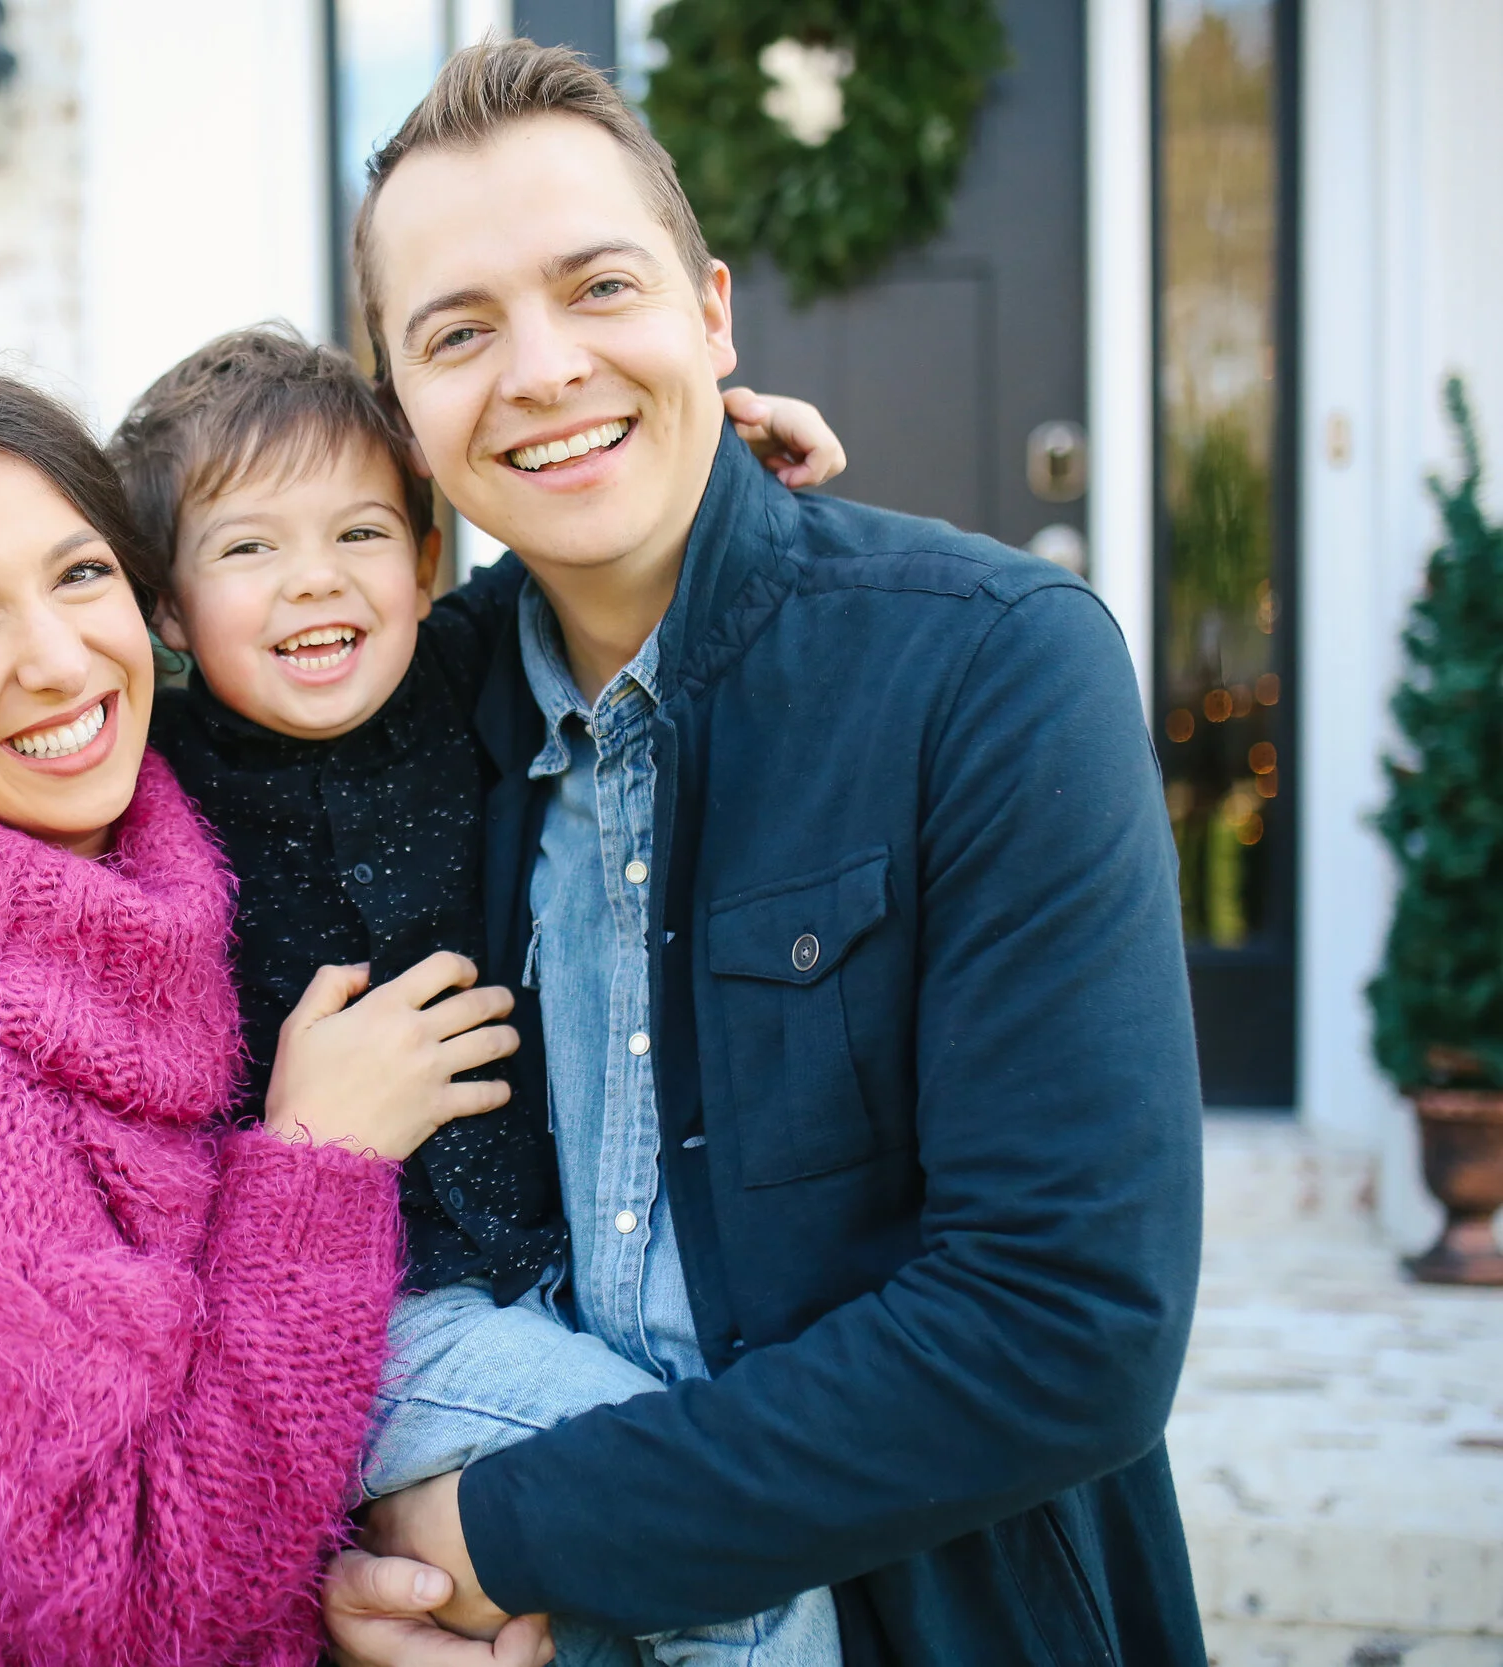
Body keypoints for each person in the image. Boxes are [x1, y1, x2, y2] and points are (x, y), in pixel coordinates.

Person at [322, 40, 1208, 1667]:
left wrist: (499, 1528)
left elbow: (1067, 1326)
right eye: (458, 333)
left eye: (601, 287)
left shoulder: (992, 668)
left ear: (713, 315)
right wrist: (353, 1573)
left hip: (943, 1623)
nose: (540, 371)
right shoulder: (396, 725)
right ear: (404, 416)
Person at [0, 364, 529, 1666]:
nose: (59, 657)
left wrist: (697, 485)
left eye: (78, 575)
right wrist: (320, 1164)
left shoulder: (169, 903)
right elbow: (118, 1617)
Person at [110, 323, 845, 1667]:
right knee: (726, 1542)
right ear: (164, 608)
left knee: (603, 1605)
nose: (313, 585)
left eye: (360, 535)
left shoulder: (464, 665)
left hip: (556, 1284)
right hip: (367, 1325)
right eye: (247, 548)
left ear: (427, 557)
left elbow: (613, 538)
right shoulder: (150, 787)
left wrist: (724, 460)